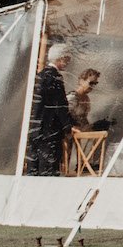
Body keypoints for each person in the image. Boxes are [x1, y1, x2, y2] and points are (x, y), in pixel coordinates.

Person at [27, 43, 75, 175]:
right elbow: (60, 105)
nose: (68, 62)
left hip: (35, 128)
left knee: (33, 167)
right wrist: (67, 126)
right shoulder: (55, 77)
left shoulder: (40, 76)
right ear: (61, 58)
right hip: (49, 130)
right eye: (67, 59)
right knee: (48, 169)